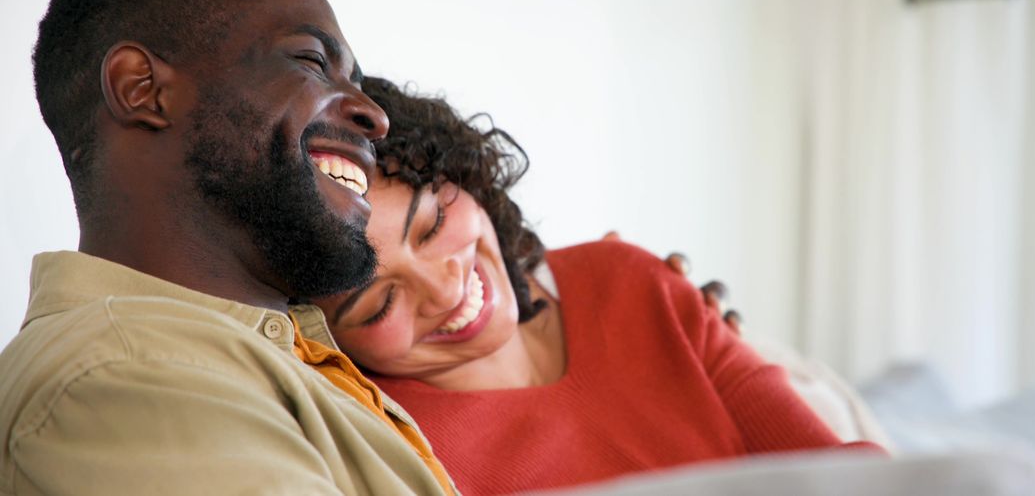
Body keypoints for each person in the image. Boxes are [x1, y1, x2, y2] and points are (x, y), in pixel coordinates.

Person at [0, 0, 454, 495]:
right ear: (142, 89)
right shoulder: (124, 373)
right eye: (312, 61)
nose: (375, 116)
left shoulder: (262, 356)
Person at [314, 77, 884, 495]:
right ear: (334, 341)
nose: (445, 290)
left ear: (460, 173)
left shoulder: (625, 280)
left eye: (433, 224)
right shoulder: (400, 450)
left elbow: (851, 477)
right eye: (380, 304)